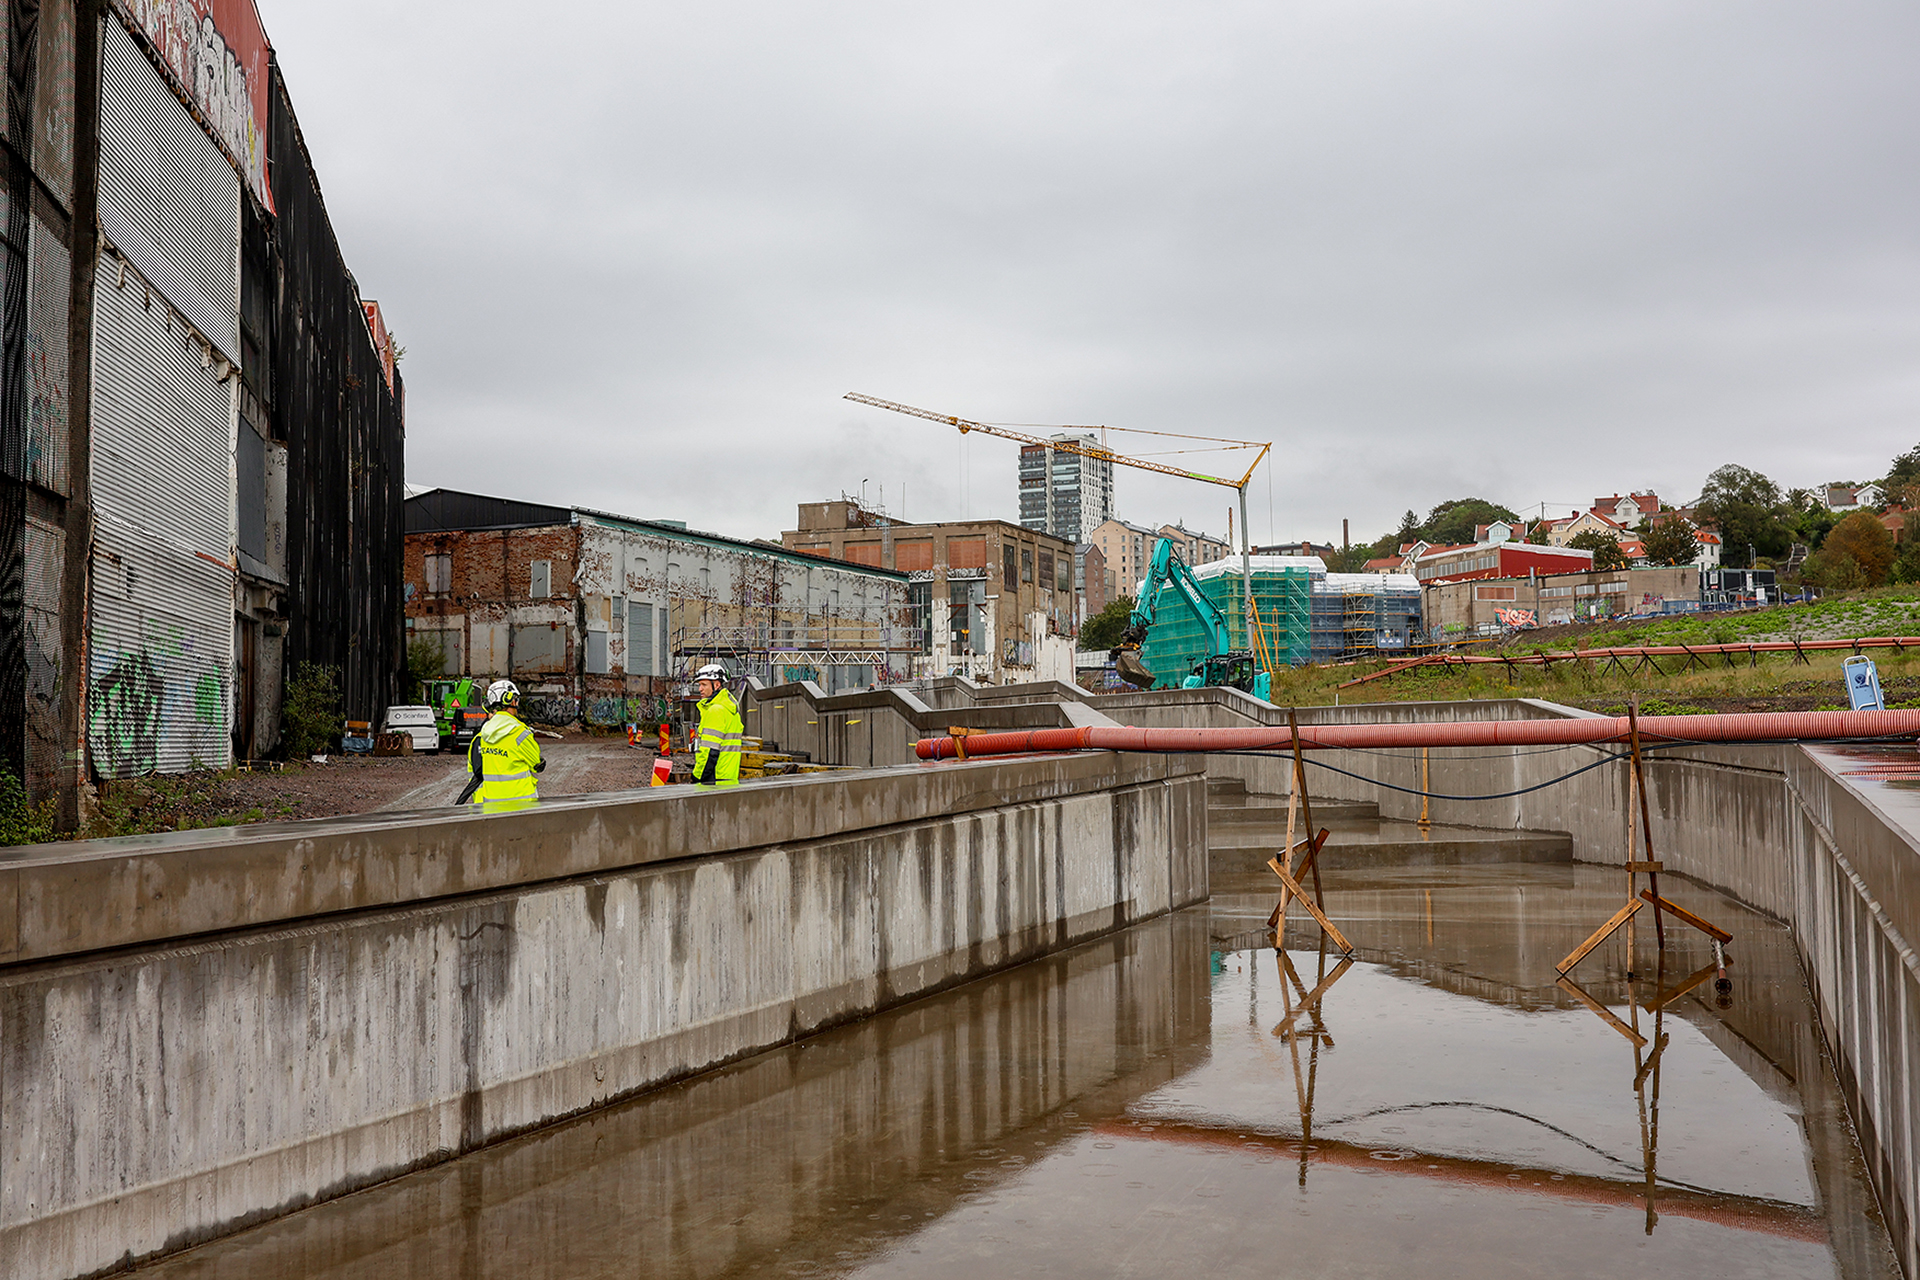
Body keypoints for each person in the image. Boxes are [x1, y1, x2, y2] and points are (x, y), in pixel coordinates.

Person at [457, 679, 545, 806]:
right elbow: (536, 764)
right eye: (516, 699)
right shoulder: (520, 733)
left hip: (491, 806)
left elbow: (475, 770)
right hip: (522, 805)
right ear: (511, 700)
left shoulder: (481, 737)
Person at [691, 663, 743, 787]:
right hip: (728, 775)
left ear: (717, 685)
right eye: (699, 685)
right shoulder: (729, 708)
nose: (700, 689)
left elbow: (709, 752)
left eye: (704, 685)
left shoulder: (716, 710)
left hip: (714, 777)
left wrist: (697, 776)